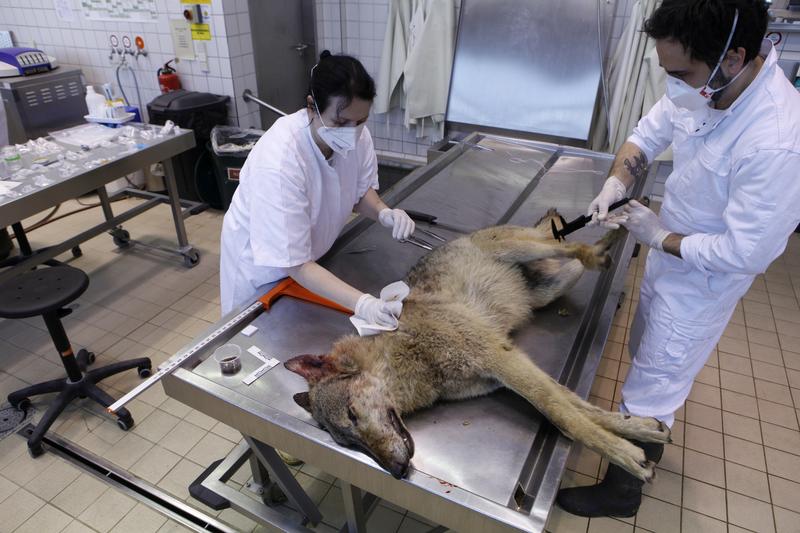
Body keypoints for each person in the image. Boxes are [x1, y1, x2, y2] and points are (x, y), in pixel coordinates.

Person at [558, 0, 800, 518]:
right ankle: (644, 444)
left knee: (655, 382)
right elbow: (647, 135)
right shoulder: (702, 86)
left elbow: (747, 252)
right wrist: (617, 180)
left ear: (732, 59)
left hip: (704, 283)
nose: (673, 84)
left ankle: (624, 489)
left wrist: (659, 233)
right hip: (669, 257)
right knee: (646, 354)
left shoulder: (775, 140)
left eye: (681, 74)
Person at [220, 51, 416, 327]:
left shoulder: (357, 136)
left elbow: (359, 193)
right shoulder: (281, 159)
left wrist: (384, 213)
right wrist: (363, 303)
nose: (353, 131)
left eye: (360, 121)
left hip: (308, 265)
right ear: (311, 107)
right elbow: (293, 263)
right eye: (340, 123)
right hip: (263, 276)